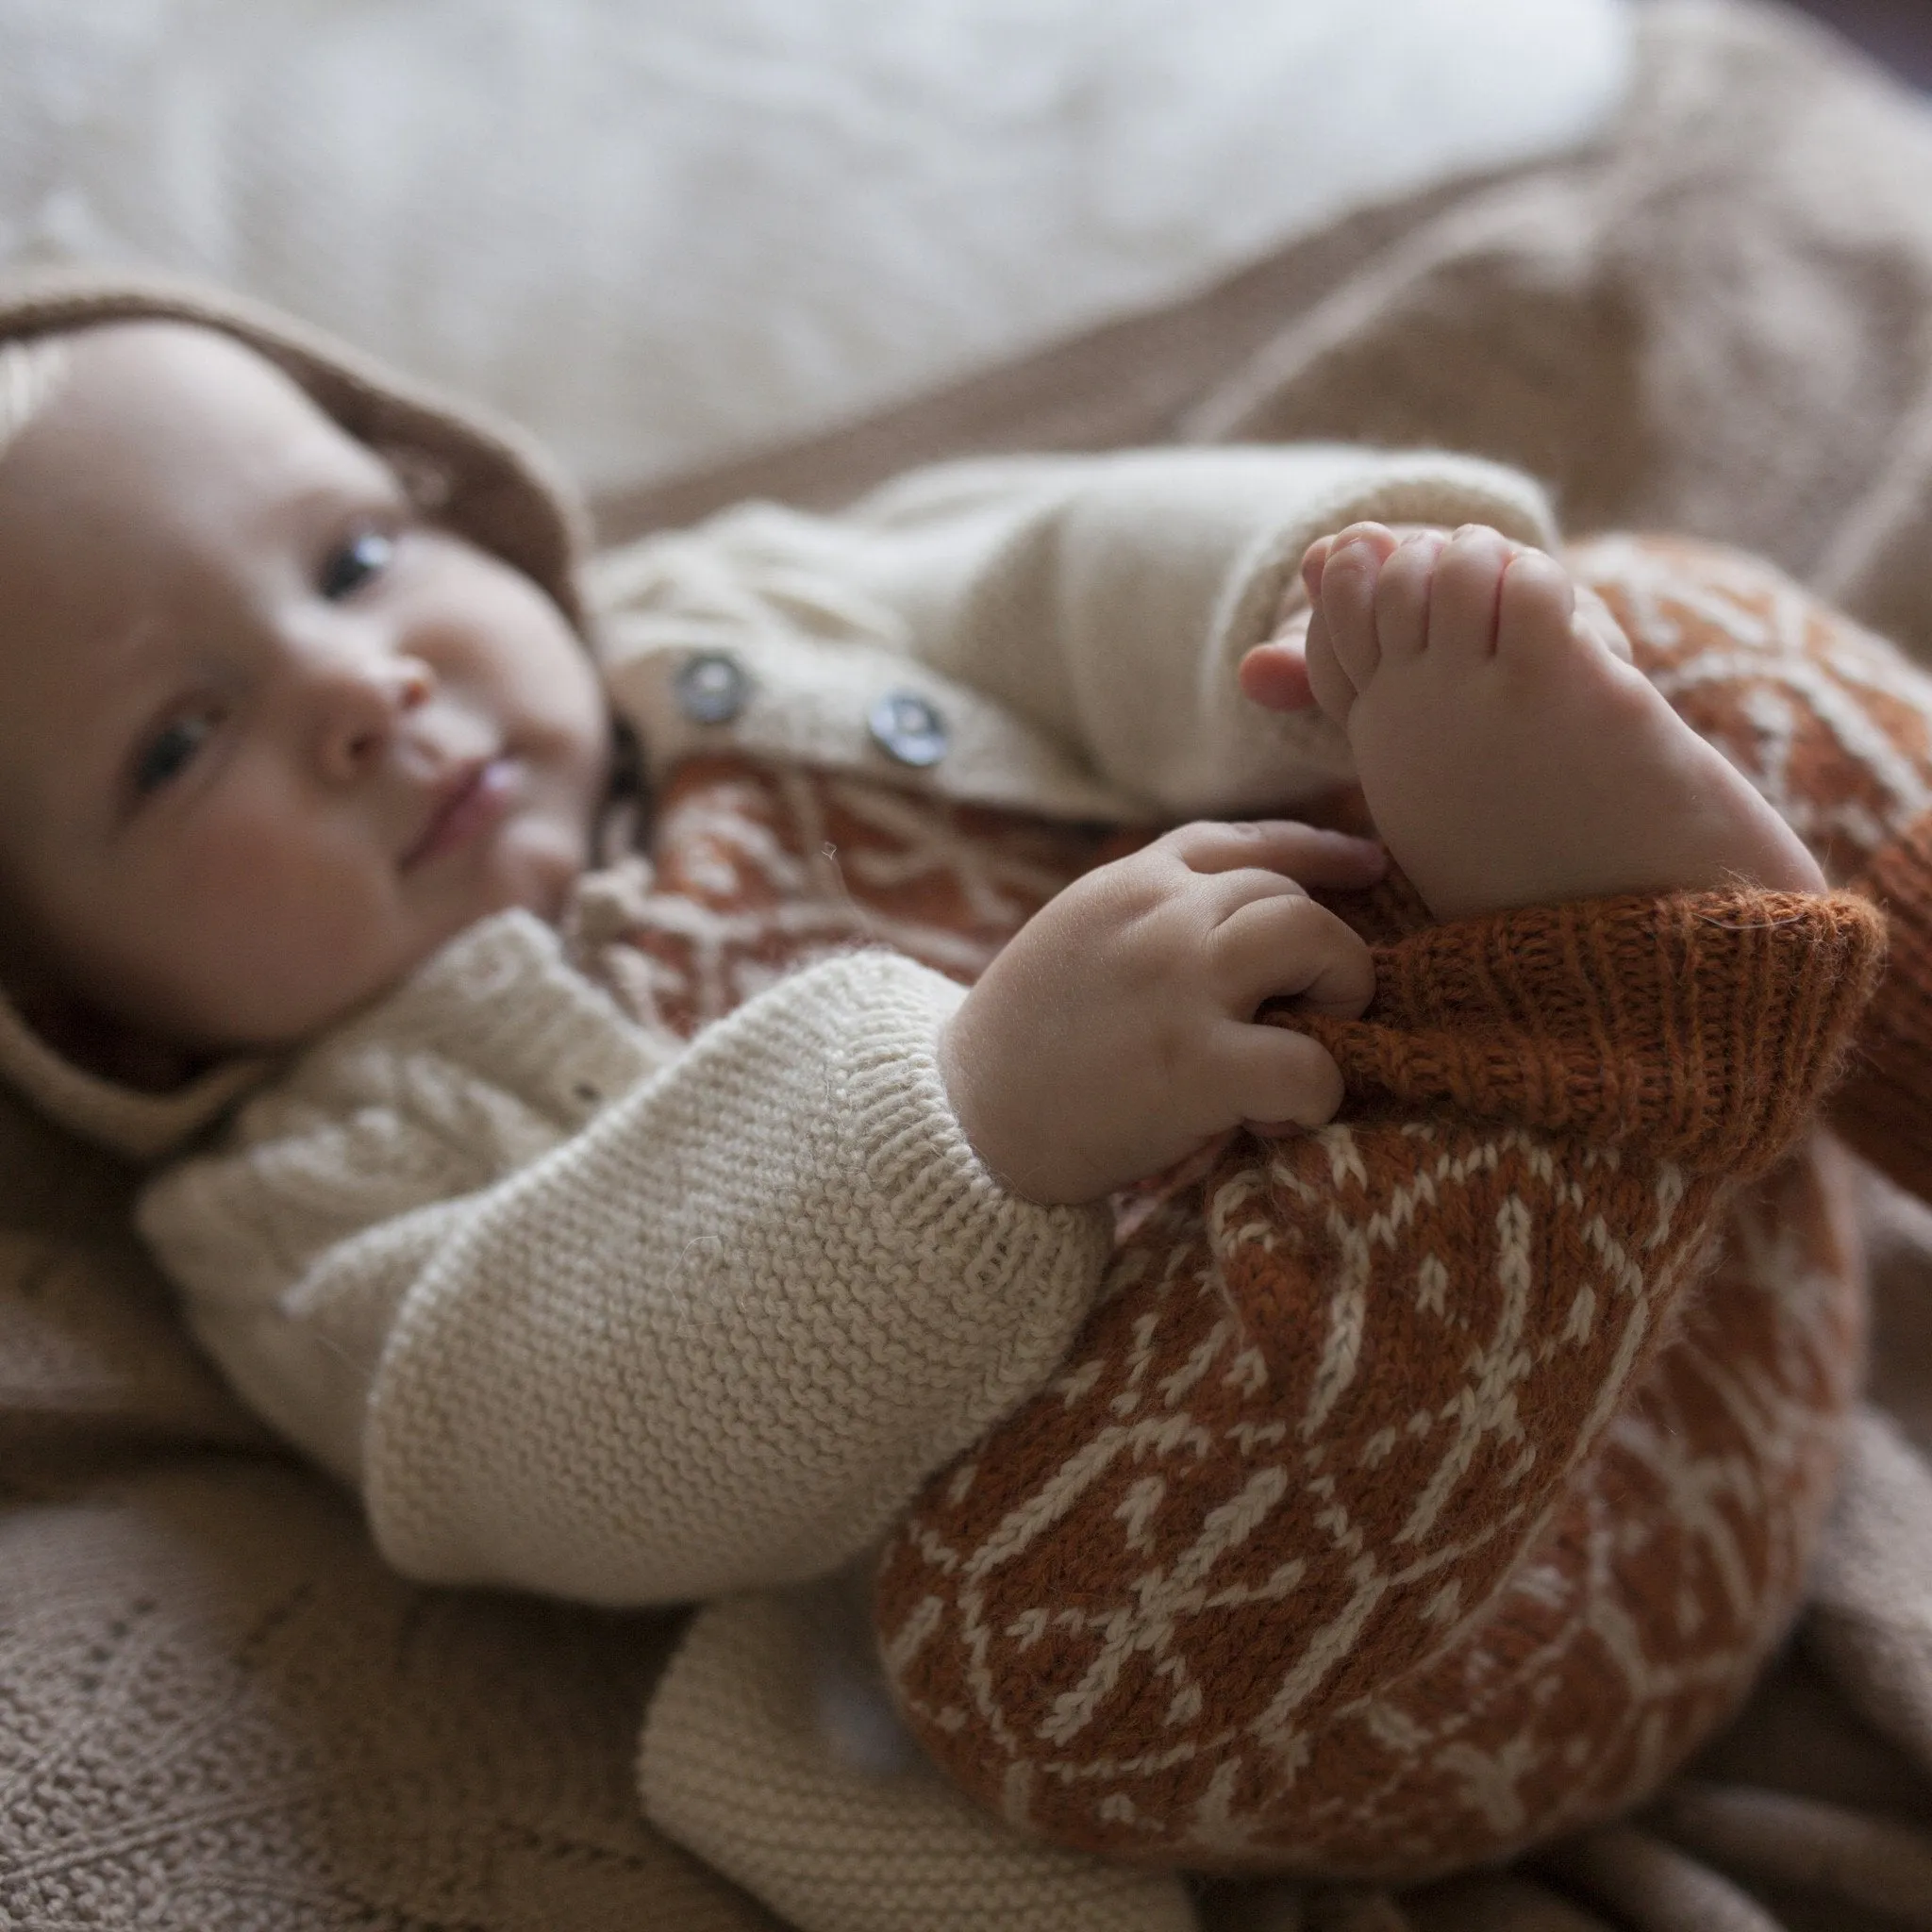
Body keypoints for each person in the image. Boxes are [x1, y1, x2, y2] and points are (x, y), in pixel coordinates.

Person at [0, 274, 1886, 1932]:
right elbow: (548, 1430)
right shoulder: (302, 1193)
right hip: (1451, 1583)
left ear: (459, 505)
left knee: (1645, 615)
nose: (357, 684)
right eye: (179, 743)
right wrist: (975, 1107)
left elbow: (1047, 570)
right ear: (80, 1001)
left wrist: (1345, 604)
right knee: (1012, 1671)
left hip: (1736, 1194)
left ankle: (1637, 943)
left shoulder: (729, 605)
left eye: (347, 561)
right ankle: (1614, 986)